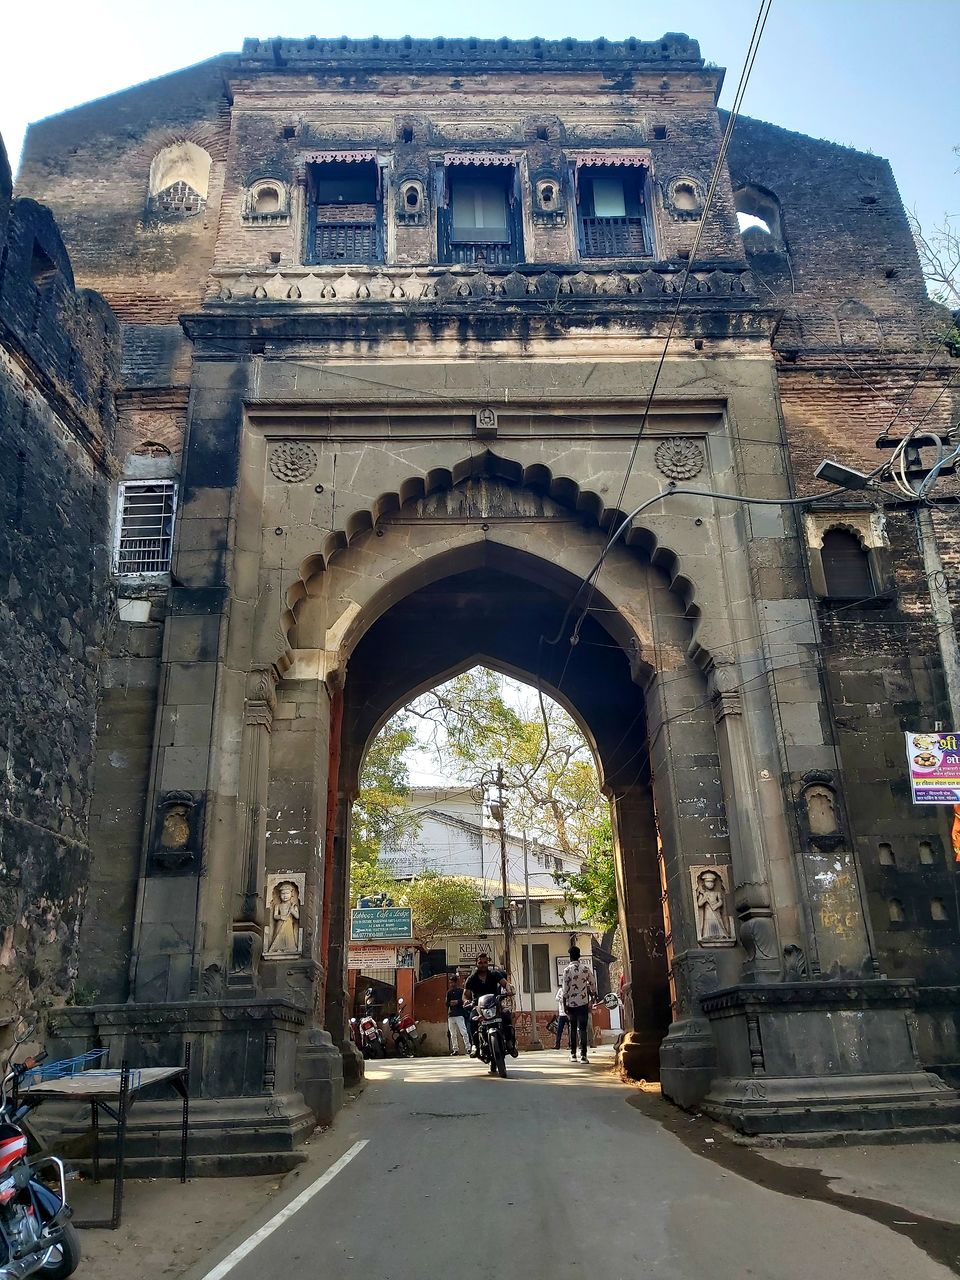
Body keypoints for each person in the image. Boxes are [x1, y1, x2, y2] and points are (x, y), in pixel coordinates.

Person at [464, 952, 518, 1057]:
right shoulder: (471, 979)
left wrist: (509, 988)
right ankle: (475, 1045)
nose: (483, 964)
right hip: (478, 1007)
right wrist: (466, 1001)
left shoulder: (495, 974)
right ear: (476, 964)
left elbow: (505, 983)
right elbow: (465, 995)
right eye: (480, 962)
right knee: (472, 1019)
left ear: (488, 963)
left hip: (496, 1004)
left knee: (506, 1015)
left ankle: (510, 1042)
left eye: (485, 962)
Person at [561, 945, 597, 1063]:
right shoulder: (585, 969)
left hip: (571, 1004)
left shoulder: (567, 971)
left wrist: (564, 1003)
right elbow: (592, 982)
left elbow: (565, 989)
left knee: (572, 1028)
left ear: (570, 957)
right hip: (583, 1003)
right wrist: (593, 994)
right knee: (583, 1029)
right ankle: (584, 1055)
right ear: (579, 956)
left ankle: (573, 1054)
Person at [445, 972, 471, 1056]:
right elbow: (446, 1003)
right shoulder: (448, 992)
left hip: (459, 1014)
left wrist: (458, 1002)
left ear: (456, 982)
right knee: (453, 1034)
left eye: (453, 982)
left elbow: (464, 1000)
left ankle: (468, 1048)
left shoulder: (461, 991)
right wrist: (450, 1003)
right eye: (450, 982)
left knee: (464, 1032)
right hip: (451, 1015)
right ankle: (455, 1050)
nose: (451, 984)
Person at [553, 986, 569, 1050]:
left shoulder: (569, 990)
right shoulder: (560, 990)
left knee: (570, 1030)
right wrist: (561, 999)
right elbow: (556, 998)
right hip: (561, 1014)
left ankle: (570, 1044)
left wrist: (563, 999)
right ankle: (557, 1044)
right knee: (559, 1030)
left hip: (568, 1014)